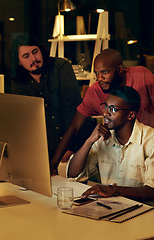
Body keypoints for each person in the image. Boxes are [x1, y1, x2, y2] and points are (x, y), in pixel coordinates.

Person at [50, 48, 154, 175]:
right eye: (96, 73)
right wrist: (53, 164)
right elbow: (74, 127)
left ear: (120, 69)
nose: (99, 78)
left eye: (105, 72)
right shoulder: (95, 91)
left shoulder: (141, 76)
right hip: (124, 150)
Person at [67, 86, 154, 213]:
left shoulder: (153, 141)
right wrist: (89, 141)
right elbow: (73, 174)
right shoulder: (104, 139)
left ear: (130, 115)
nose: (105, 113)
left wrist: (113, 190)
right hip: (116, 210)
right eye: (105, 106)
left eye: (112, 109)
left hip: (153, 214)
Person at [10, 35, 95, 167]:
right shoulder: (19, 82)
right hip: (47, 149)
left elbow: (72, 110)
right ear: (19, 62)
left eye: (35, 52)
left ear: (41, 51)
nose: (34, 59)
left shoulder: (61, 67)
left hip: (78, 142)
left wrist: (70, 147)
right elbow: (25, 120)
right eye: (26, 56)